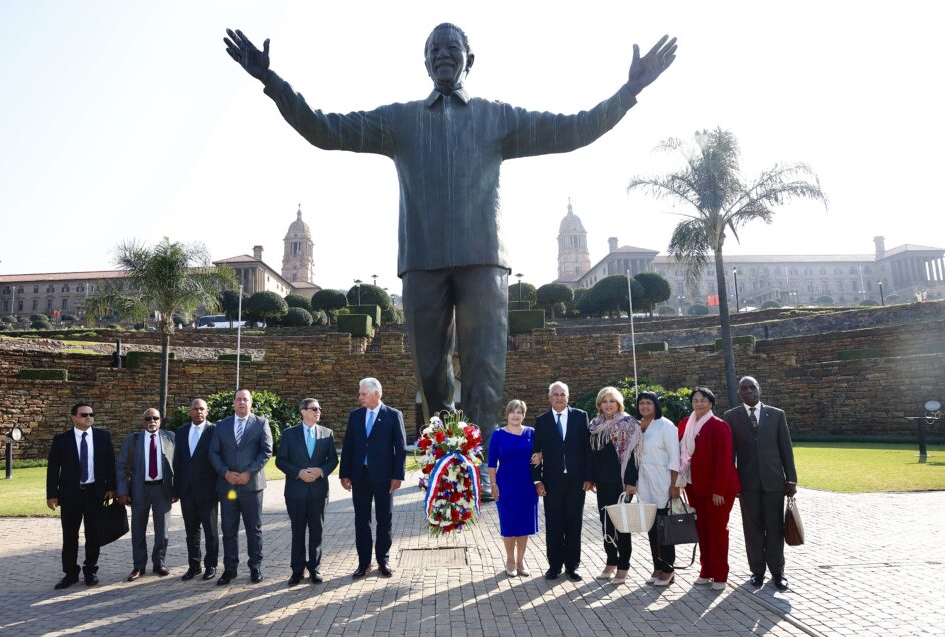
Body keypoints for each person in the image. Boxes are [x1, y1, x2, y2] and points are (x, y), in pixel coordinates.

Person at [222, 24, 676, 499]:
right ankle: (445, 463)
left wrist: (629, 91)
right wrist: (270, 82)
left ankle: (477, 466)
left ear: (469, 60)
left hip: (483, 260)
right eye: (434, 50)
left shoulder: (496, 117)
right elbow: (323, 128)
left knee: (485, 369)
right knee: (430, 369)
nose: (443, 56)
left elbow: (573, 128)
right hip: (422, 261)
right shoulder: (400, 120)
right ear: (425, 62)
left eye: (452, 49)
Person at [725, 376, 797, 591]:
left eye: (752, 387)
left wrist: (791, 478)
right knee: (753, 528)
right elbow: (731, 455)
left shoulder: (776, 415)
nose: (748, 391)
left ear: (759, 389)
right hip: (747, 484)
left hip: (774, 482)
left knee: (775, 528)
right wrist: (732, 483)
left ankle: (778, 572)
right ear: (739, 393)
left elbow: (786, 449)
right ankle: (757, 571)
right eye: (744, 388)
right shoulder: (731, 417)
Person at [340, 378, 407, 579]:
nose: (359, 398)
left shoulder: (393, 416)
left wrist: (398, 476)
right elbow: (348, 446)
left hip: (385, 478)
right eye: (360, 394)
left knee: (384, 519)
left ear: (376, 393)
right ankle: (364, 563)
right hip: (360, 477)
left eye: (363, 394)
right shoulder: (356, 416)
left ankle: (382, 561)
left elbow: (401, 449)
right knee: (362, 520)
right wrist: (344, 473)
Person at [677, 387, 740, 591]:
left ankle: (720, 574)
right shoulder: (685, 424)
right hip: (693, 485)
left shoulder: (719, 426)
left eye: (703, 400)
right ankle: (706, 570)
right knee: (702, 530)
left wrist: (719, 490)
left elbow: (724, 461)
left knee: (717, 531)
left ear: (711, 403)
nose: (699, 403)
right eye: (695, 400)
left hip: (718, 489)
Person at [46, 402, 115, 589]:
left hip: (95, 493)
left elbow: (110, 464)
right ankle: (70, 573)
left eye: (91, 414)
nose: (89, 418)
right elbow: (53, 469)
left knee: (93, 534)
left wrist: (111, 487)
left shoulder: (102, 437)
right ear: (73, 418)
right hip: (70, 495)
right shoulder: (62, 440)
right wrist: (52, 495)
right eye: (84, 415)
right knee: (70, 535)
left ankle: (90, 571)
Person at [208, 389, 273, 586]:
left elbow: (266, 451)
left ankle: (255, 567)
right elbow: (213, 453)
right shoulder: (222, 425)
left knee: (254, 529)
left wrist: (248, 473)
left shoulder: (261, 423)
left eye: (245, 399)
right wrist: (225, 472)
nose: (242, 402)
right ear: (234, 403)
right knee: (228, 529)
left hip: (251, 487)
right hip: (228, 487)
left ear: (251, 402)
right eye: (238, 399)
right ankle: (230, 569)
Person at [275, 397, 339, 586]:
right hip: (296, 492)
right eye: (314, 408)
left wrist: (322, 471)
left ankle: (314, 569)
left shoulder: (327, 433)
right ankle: (297, 571)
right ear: (303, 411)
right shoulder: (289, 434)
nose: (318, 411)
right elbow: (281, 460)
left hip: (319, 491)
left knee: (316, 532)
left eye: (319, 408)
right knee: (298, 532)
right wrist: (298, 473)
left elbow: (333, 460)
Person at [532, 381, 591, 581]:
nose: (559, 398)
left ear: (568, 397)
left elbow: (587, 449)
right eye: (555, 394)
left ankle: (572, 566)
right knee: (554, 524)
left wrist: (588, 477)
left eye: (562, 394)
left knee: (574, 524)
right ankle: (554, 566)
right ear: (549, 398)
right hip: (552, 482)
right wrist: (537, 481)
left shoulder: (580, 416)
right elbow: (536, 453)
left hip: (576, 481)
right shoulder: (542, 421)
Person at [587, 387, 641, 585]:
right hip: (603, 482)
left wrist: (630, 482)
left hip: (622, 484)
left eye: (612, 401)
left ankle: (624, 565)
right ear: (599, 404)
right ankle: (611, 560)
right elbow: (592, 456)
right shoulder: (595, 425)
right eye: (604, 401)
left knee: (622, 524)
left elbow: (634, 456)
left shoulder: (629, 423)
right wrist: (591, 478)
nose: (608, 405)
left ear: (619, 403)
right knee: (606, 523)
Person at [116, 408, 177, 581]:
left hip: (162, 490)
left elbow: (178, 465)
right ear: (143, 421)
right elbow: (121, 466)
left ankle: (159, 563)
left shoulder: (171, 437)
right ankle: (138, 566)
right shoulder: (133, 439)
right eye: (148, 418)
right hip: (139, 490)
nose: (152, 421)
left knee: (162, 531)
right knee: (138, 530)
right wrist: (122, 491)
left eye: (155, 418)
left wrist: (176, 489)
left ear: (160, 420)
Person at [634, 391, 682, 588]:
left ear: (655, 405)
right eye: (641, 403)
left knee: (664, 528)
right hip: (644, 484)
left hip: (663, 483)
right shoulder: (637, 426)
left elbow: (674, 456)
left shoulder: (666, 425)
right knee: (651, 528)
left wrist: (674, 485)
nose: (645, 406)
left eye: (648, 403)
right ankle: (657, 566)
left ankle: (669, 569)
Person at [487, 399, 538, 577]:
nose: (516, 415)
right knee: (509, 523)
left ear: (523, 415)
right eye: (512, 412)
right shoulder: (498, 435)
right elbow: (492, 463)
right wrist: (493, 484)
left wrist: (541, 457)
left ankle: (520, 561)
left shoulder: (532, 433)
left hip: (527, 485)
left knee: (524, 524)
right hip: (505, 485)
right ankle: (509, 560)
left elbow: (541, 455)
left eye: (519, 412)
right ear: (507, 414)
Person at [173, 398, 219, 581]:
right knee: (191, 530)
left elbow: (218, 460)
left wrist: (219, 489)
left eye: (202, 409)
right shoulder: (181, 431)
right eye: (195, 409)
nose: (198, 411)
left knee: (210, 531)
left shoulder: (215, 431)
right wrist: (175, 489)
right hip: (186, 491)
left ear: (207, 411)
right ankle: (194, 566)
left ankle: (211, 565)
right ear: (189, 411)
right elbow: (178, 462)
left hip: (208, 490)